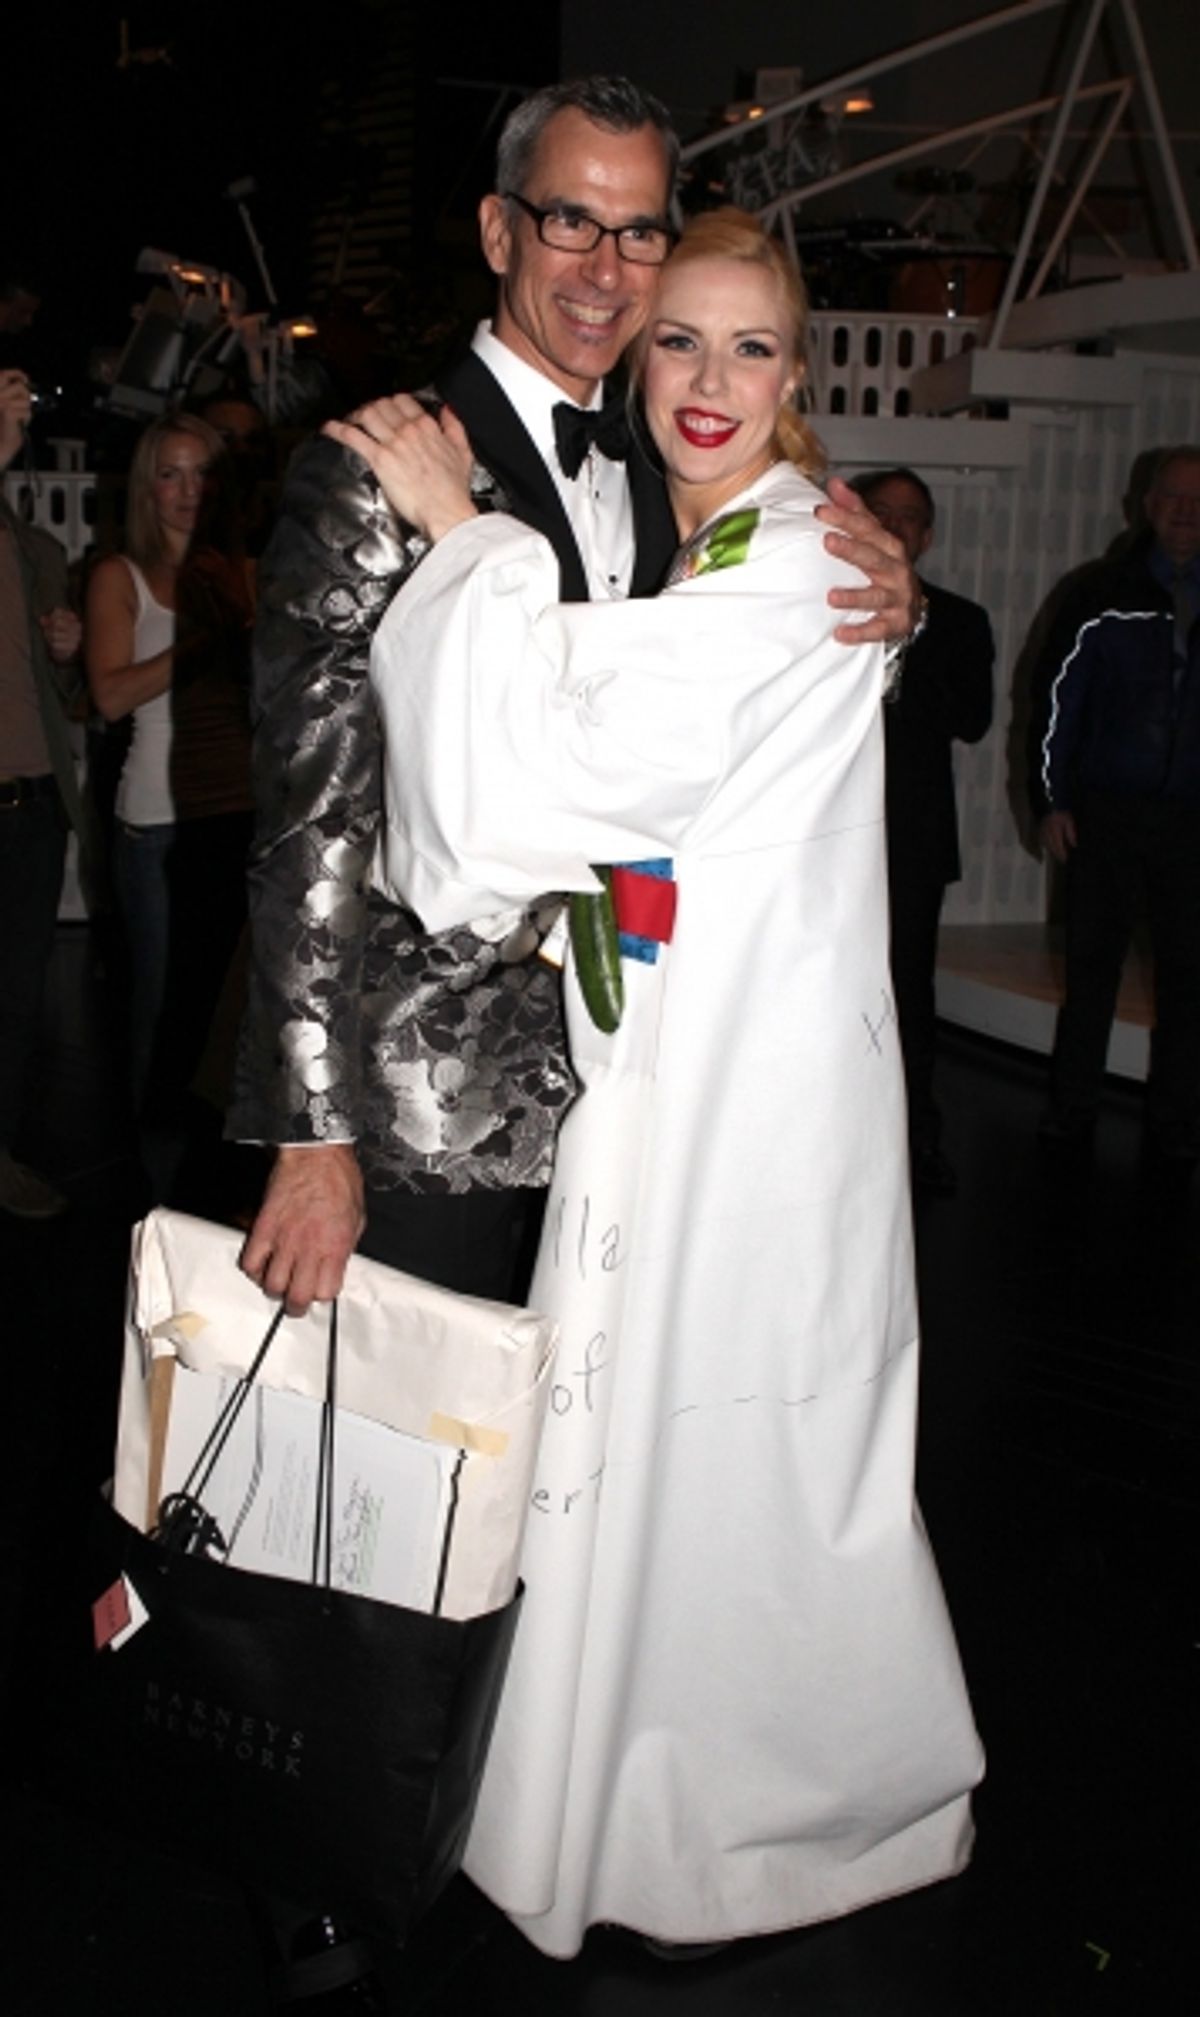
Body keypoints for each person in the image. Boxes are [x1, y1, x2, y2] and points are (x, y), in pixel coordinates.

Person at [347, 207, 983, 1960]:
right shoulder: (712, 542)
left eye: (751, 347)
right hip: (695, 1069)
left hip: (751, 1096)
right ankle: (639, 1785)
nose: (710, 379)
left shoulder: (785, 549)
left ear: (797, 381)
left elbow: (571, 744)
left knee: (738, 1432)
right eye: (681, 341)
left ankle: (760, 1802)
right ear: (638, 359)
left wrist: (463, 538)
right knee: (685, 1438)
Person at [232, 74, 923, 1317]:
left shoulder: (677, 464)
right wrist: (309, 1134)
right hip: (421, 1119)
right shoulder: (381, 467)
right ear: (501, 233)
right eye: (571, 221)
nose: (608, 268)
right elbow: (309, 820)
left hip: (638, 1103)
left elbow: (726, 694)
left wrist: (887, 617)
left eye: (641, 228)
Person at [85, 411, 255, 1200]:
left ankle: (208, 1190)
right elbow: (111, 694)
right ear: (147, 488)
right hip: (156, 826)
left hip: (241, 819)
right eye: (171, 473)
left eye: (201, 474)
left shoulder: (239, 572)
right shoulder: (120, 576)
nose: (188, 491)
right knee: (161, 1015)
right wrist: (203, 642)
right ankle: (154, 1197)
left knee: (225, 1021)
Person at [1032, 445, 1200, 1165]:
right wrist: (1050, 798)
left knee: (1189, 982)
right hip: (1107, 816)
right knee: (1092, 974)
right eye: (1172, 497)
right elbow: (1053, 704)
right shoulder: (1099, 592)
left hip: (1193, 825)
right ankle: (1071, 1114)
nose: (1187, 513)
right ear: (1144, 503)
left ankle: (1177, 1123)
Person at [854, 467, 994, 1196]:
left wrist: (914, 634)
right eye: (882, 512)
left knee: (908, 994)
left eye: (911, 517)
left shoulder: (961, 620)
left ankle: (914, 1140)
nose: (898, 525)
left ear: (928, 534)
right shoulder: (822, 604)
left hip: (911, 839)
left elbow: (972, 718)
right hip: (825, 842)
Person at [0, 369, 91, 1217]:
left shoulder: (38, 550)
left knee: (17, 998)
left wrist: (66, 650)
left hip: (31, 807)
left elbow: (54, 696)